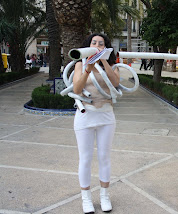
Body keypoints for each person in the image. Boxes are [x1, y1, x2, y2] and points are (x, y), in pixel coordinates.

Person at [72, 33, 120, 213]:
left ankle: (104, 196)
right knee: (85, 158)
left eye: (101, 44)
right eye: (94, 43)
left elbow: (115, 83)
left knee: (104, 157)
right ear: (88, 45)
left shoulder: (113, 65)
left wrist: (104, 61)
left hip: (106, 116)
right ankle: (86, 199)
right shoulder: (80, 63)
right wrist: (88, 68)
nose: (97, 45)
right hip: (85, 114)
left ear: (106, 47)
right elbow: (77, 88)